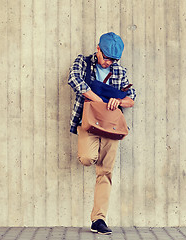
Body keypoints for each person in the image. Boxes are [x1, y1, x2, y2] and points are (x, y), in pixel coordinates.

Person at [68, 32, 136, 235]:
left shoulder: (119, 71)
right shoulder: (83, 62)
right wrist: (99, 100)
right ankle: (95, 153)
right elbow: (74, 80)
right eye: (105, 57)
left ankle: (99, 219)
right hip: (89, 122)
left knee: (105, 172)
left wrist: (119, 102)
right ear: (98, 49)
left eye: (113, 59)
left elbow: (131, 98)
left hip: (110, 126)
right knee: (88, 157)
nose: (108, 62)